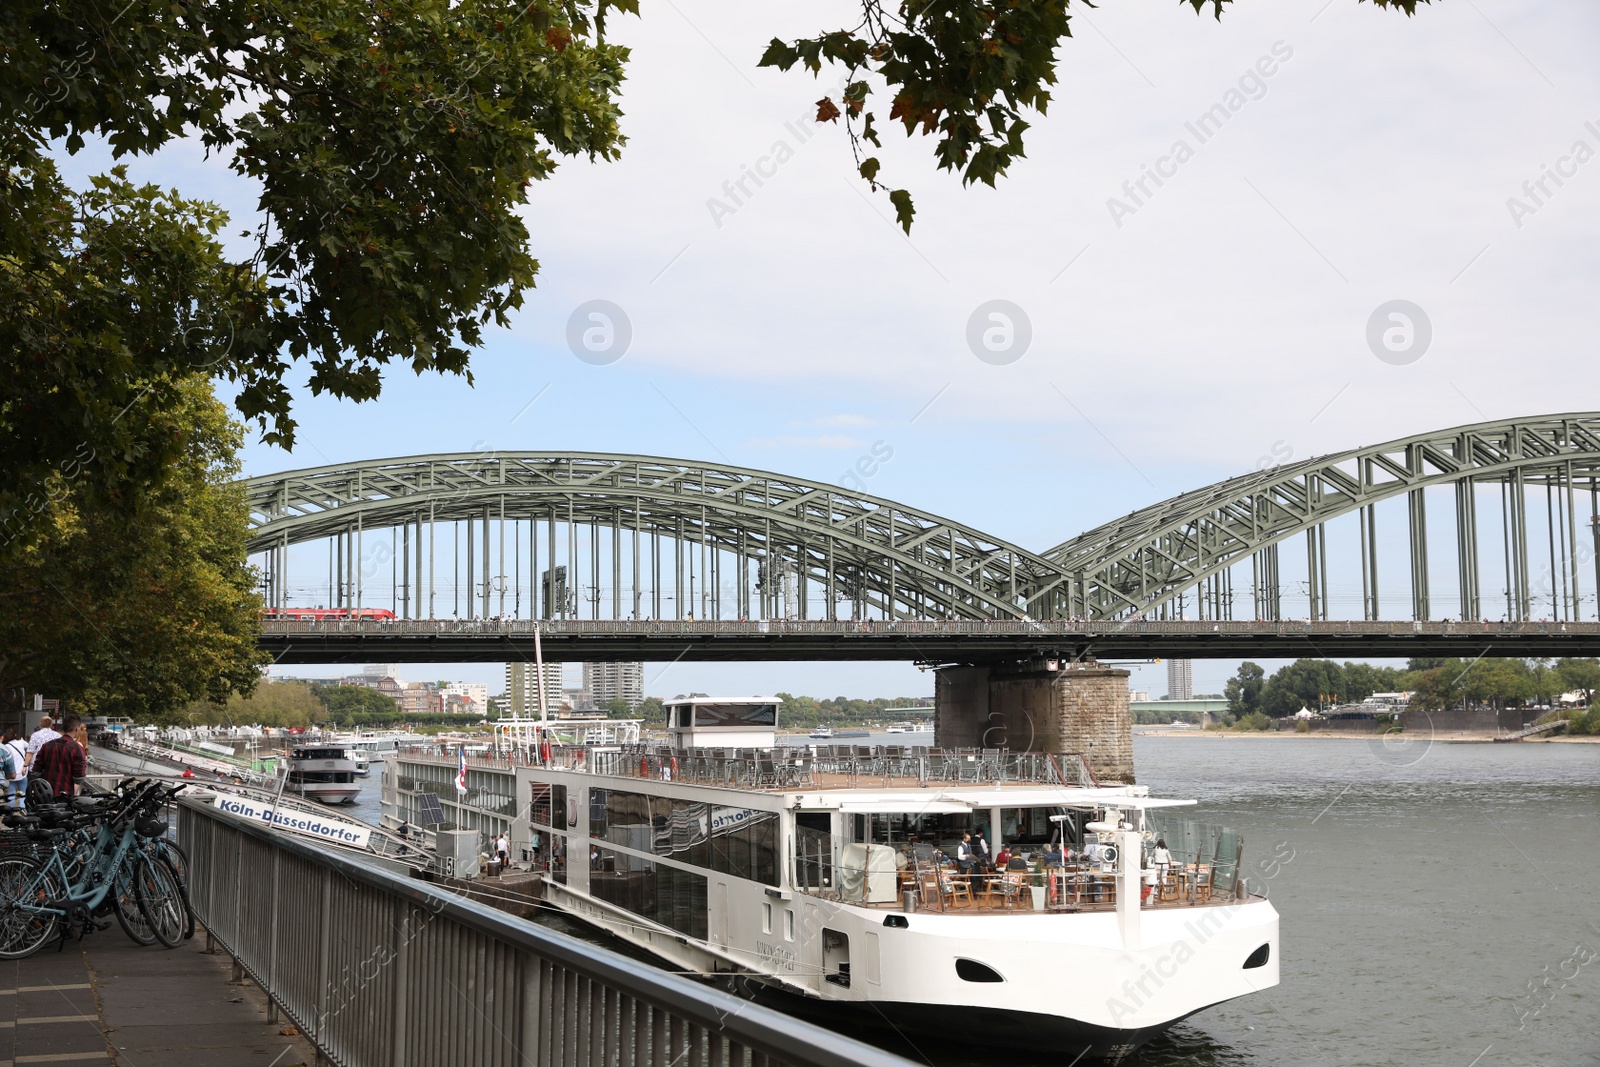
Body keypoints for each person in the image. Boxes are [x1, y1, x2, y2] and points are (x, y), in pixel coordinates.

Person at [31, 715, 88, 800]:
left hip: (45, 794)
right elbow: (78, 778)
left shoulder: (47, 745)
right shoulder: (77, 748)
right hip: (65, 796)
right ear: (77, 728)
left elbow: (35, 772)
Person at [1, 728, 26, 811]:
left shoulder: (6, 747)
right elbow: (30, 749)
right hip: (22, 773)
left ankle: (12, 811)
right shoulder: (21, 743)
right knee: (23, 793)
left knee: (11, 793)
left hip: (10, 775)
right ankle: (22, 808)